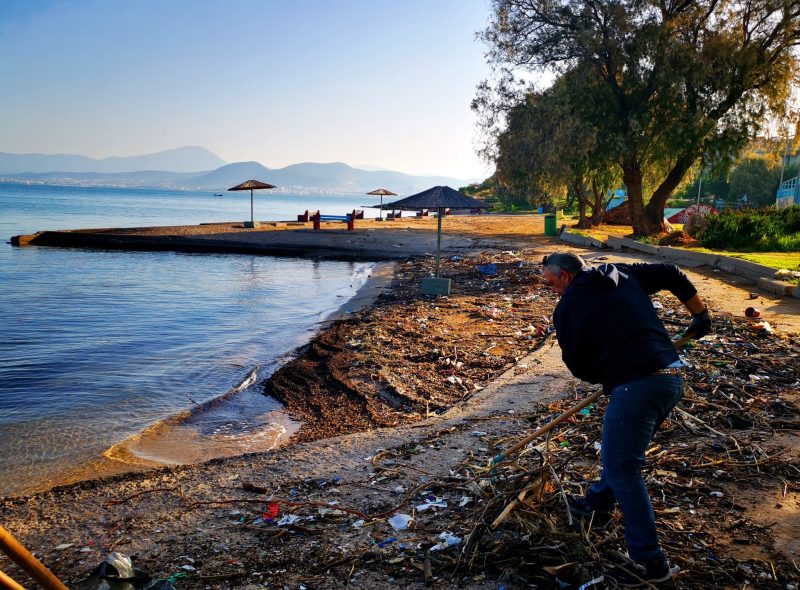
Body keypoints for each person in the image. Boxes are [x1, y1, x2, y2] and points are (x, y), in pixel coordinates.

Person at [540, 251, 712, 587]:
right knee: (623, 454)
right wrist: (700, 315)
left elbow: (578, 365)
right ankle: (597, 502)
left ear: (564, 276)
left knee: (623, 466)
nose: (550, 289)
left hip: (639, 385)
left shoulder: (568, 308)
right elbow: (670, 272)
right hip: (670, 377)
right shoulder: (618, 273)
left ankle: (650, 563)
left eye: (549, 283)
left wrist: (609, 375)